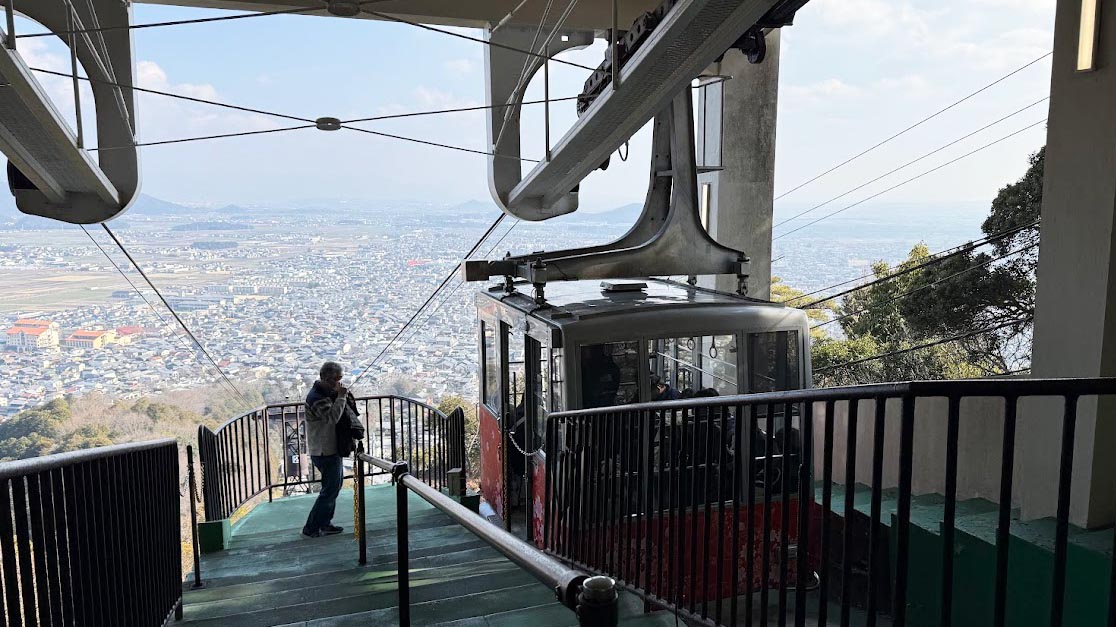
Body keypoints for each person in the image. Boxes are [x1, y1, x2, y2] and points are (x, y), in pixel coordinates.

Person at [302, 361, 363, 539]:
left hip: (328, 448)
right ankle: (312, 526)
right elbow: (332, 418)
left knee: (333, 488)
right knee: (330, 490)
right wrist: (342, 397)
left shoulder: (324, 393)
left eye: (339, 379)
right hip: (324, 450)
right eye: (335, 379)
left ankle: (324, 523)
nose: (338, 382)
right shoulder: (316, 397)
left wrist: (339, 395)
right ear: (325, 378)